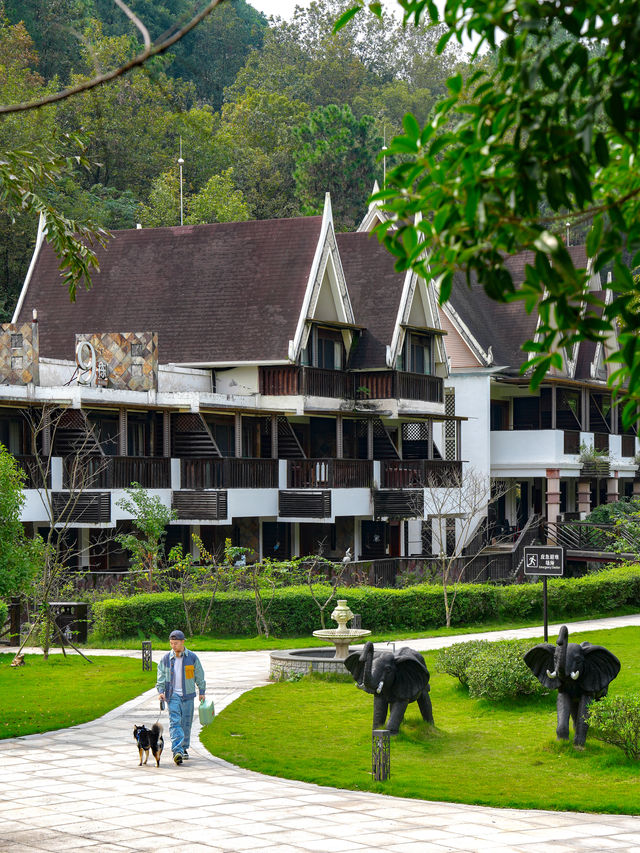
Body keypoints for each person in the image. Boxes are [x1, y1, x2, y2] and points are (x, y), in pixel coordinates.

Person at [157, 629, 206, 765]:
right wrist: (161, 691)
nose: (173, 646)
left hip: (188, 696)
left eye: (176, 643)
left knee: (186, 723)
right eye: (171, 643)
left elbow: (199, 675)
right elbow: (160, 676)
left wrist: (202, 691)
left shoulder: (192, 658)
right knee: (174, 723)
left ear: (183, 642)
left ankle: (184, 748)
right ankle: (177, 750)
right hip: (172, 695)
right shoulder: (166, 659)